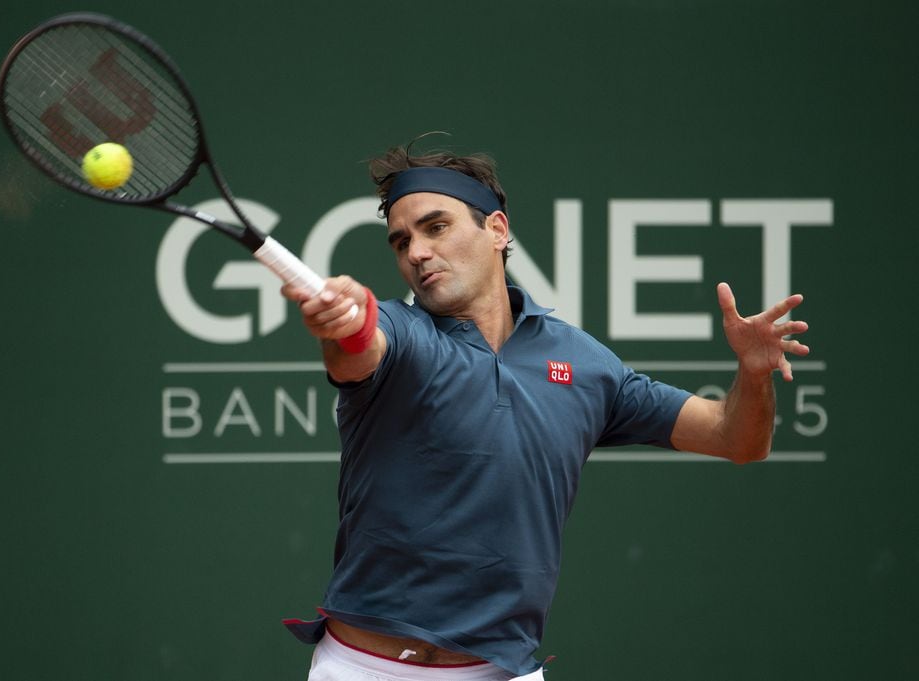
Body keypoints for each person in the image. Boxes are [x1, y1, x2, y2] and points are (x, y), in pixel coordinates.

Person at [280, 141, 810, 681]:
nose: (416, 252)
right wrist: (349, 319)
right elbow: (359, 347)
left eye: (435, 227)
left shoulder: (584, 364)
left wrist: (752, 371)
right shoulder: (402, 332)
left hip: (502, 671)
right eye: (401, 241)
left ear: (497, 230)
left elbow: (738, 439)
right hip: (363, 669)